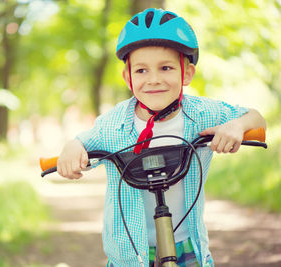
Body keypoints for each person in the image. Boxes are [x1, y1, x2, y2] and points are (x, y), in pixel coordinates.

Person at [56, 8, 266, 267]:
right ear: (128, 77)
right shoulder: (113, 125)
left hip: (188, 246)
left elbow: (255, 117)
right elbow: (83, 141)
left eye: (165, 68)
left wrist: (237, 126)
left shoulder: (201, 115)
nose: (153, 79)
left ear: (186, 73)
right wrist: (71, 147)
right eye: (141, 71)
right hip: (130, 255)